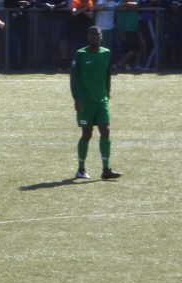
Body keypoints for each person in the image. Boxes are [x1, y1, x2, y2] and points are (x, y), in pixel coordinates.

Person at [71, 25, 121, 179]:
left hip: (101, 101)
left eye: (96, 35)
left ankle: (106, 169)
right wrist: (77, 99)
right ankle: (81, 169)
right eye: (91, 35)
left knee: (105, 131)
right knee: (87, 134)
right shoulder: (80, 54)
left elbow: (107, 75)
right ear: (88, 37)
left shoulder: (106, 53)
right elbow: (74, 79)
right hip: (85, 102)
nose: (94, 37)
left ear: (101, 36)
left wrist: (108, 93)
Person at [4, 0, 32, 71]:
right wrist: (19, 3)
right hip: (13, 21)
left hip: (24, 22)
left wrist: (25, 4)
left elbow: (31, 4)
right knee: (13, 44)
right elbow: (7, 4)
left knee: (24, 44)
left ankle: (24, 64)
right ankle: (13, 65)